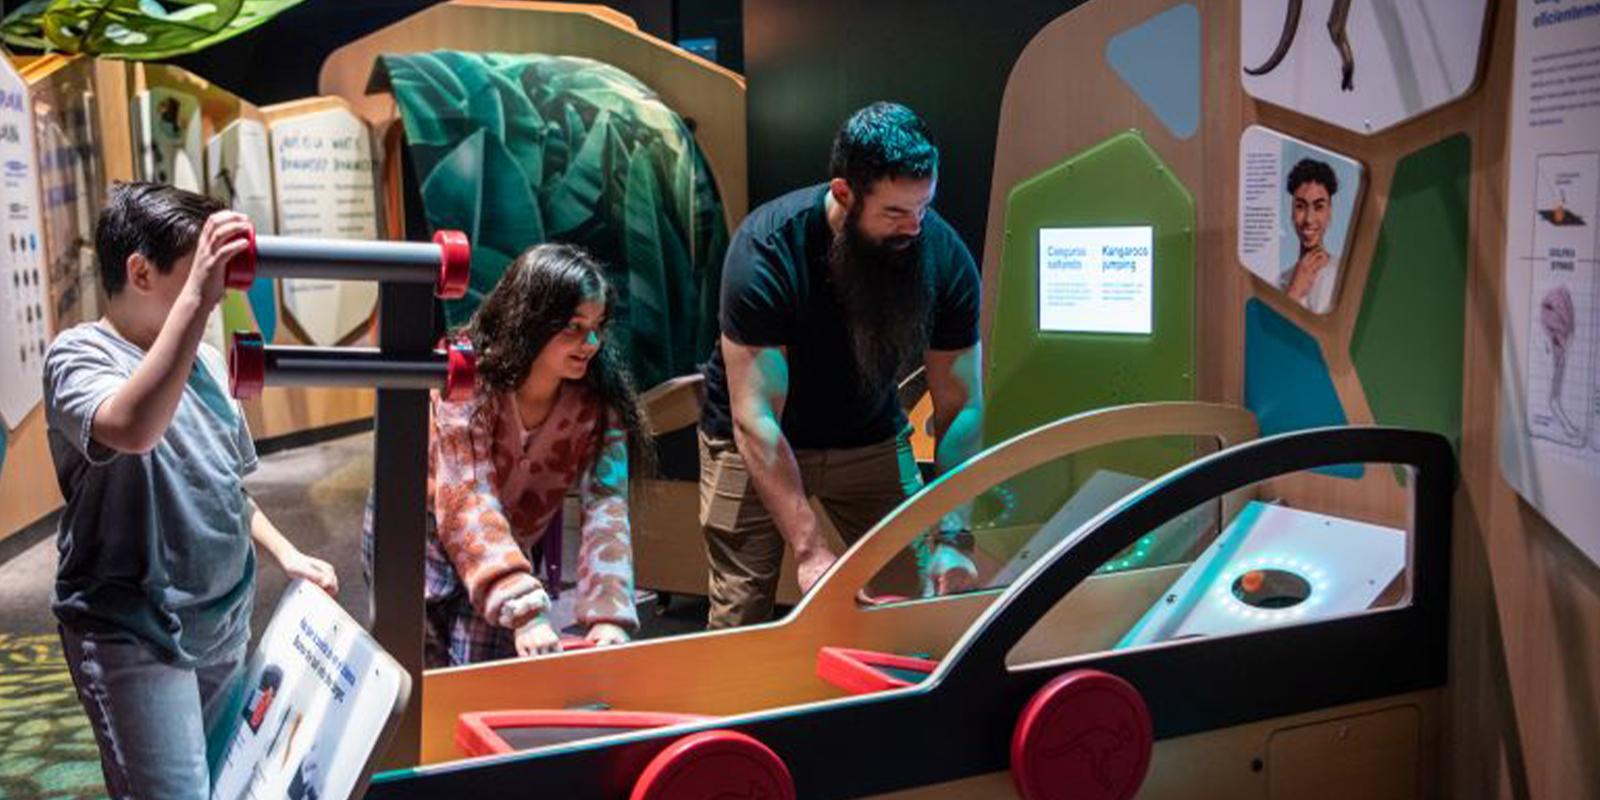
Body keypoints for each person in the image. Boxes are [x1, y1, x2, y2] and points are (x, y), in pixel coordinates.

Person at [43, 182, 338, 799]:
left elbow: (227, 486)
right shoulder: (78, 355)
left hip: (220, 623)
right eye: (200, 270)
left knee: (228, 786)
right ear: (140, 272)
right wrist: (199, 303)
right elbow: (133, 427)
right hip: (133, 629)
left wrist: (288, 554)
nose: (216, 290)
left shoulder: (203, 362)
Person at [698, 102, 985, 629]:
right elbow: (755, 417)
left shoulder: (941, 253)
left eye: (923, 207)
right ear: (844, 193)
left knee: (913, 604)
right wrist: (808, 551)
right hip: (761, 439)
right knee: (742, 616)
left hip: (869, 435)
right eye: (895, 213)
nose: (915, 227)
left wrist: (953, 536)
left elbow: (960, 403)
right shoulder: (767, 249)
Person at [362, 243, 646, 666]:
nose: (590, 342)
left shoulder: (597, 405)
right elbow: (466, 495)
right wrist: (523, 606)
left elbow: (607, 504)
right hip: (416, 536)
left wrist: (610, 614)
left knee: (484, 674)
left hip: (501, 547)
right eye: (572, 326)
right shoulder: (466, 378)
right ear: (530, 317)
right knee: (415, 675)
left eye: (597, 326)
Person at [1278, 157, 1342, 313]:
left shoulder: (1343, 275)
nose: (1308, 219)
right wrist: (1295, 291)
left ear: (1329, 212)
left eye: (1319, 207)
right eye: (1300, 206)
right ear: (1291, 212)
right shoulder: (1281, 280)